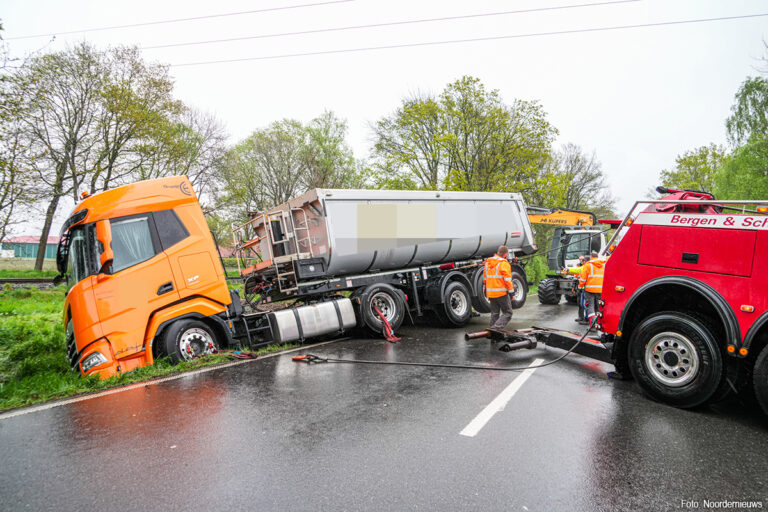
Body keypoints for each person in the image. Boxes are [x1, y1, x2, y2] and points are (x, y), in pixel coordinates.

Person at [483, 245, 516, 329]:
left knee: (494, 313)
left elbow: (485, 279)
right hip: (501, 293)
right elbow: (508, 280)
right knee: (508, 313)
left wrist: (486, 290)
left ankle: (493, 334)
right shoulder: (504, 263)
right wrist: (512, 294)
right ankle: (495, 328)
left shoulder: (488, 263)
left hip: (490, 293)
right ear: (505, 254)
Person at [578, 251, 605, 328]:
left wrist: (580, 287)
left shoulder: (588, 265)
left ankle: (592, 326)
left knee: (590, 307)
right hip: (600, 290)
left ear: (591, 257)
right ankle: (598, 324)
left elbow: (583, 278)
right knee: (598, 307)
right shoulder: (604, 264)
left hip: (589, 290)